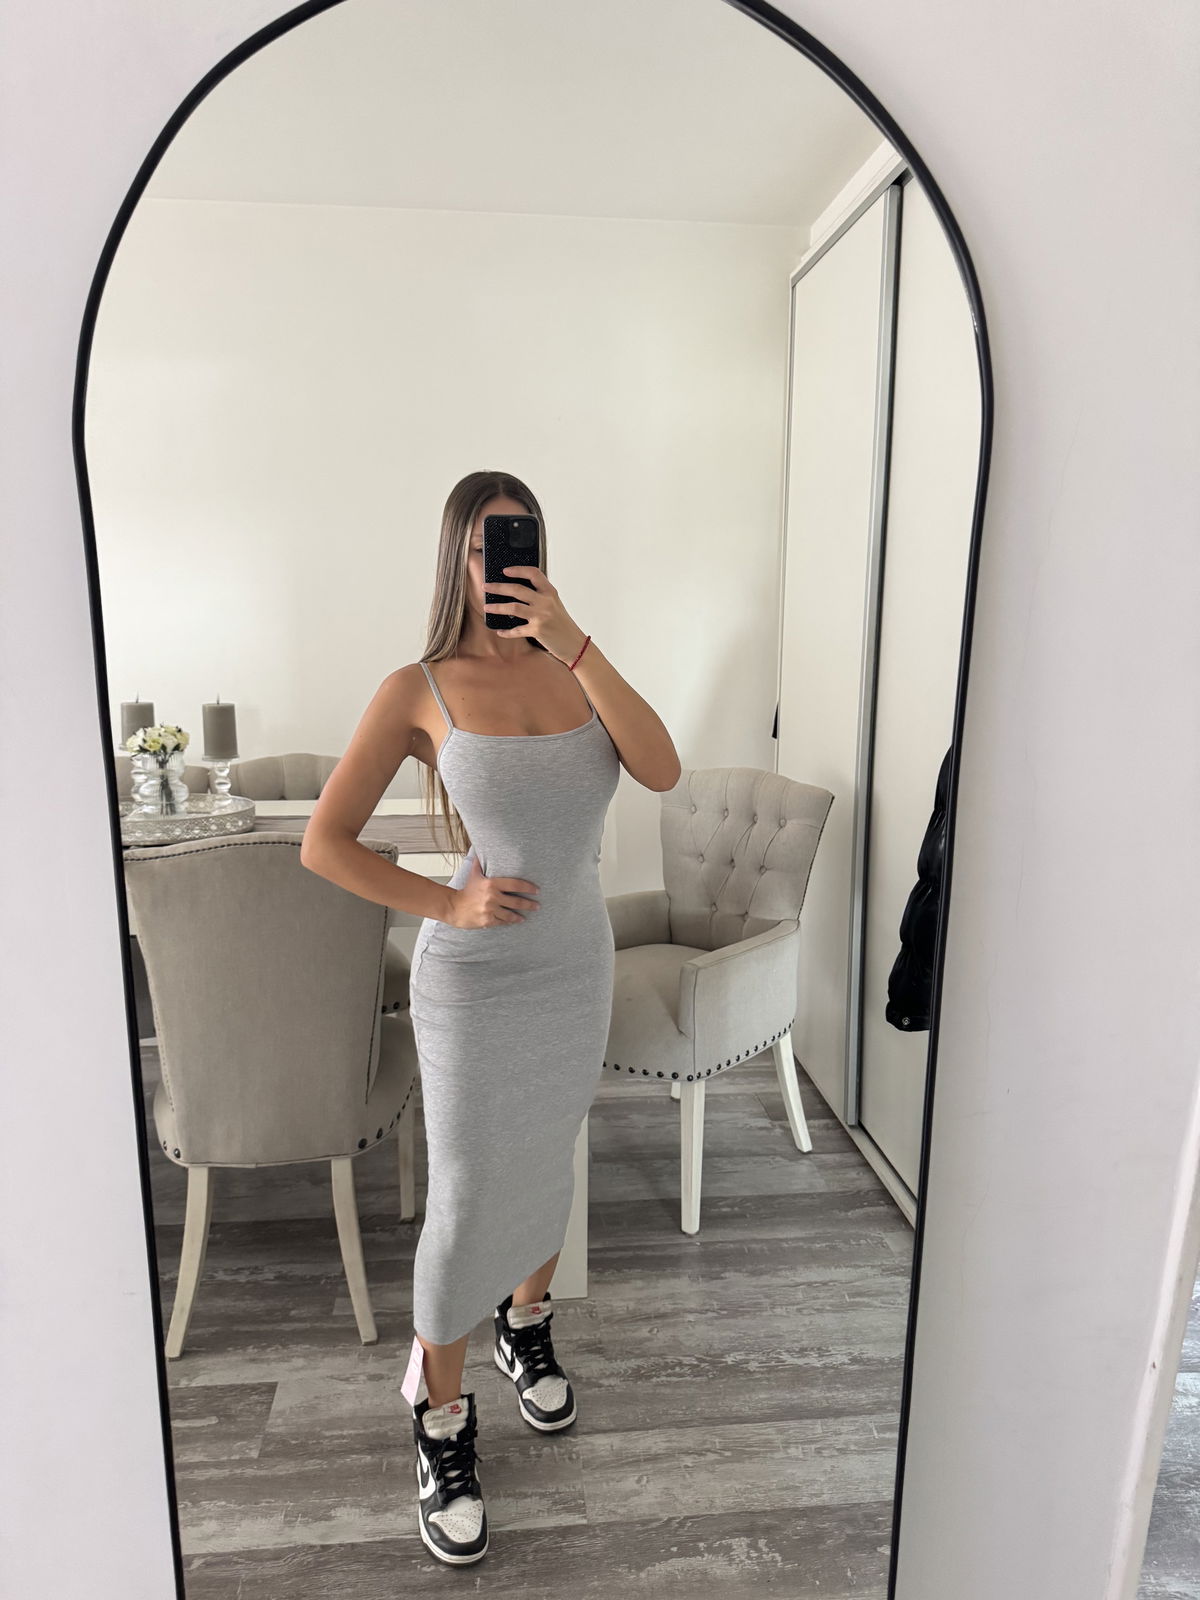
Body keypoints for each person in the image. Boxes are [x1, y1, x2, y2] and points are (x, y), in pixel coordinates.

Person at [301, 470, 681, 1565]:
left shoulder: (577, 669)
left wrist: (576, 641)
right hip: (473, 981)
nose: (500, 563)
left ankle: (524, 1325)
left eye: (518, 541)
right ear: (454, 559)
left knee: (548, 1162)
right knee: (468, 1194)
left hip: (573, 967)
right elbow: (325, 843)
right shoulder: (418, 687)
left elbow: (661, 769)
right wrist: (447, 903)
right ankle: (439, 1418)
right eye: (482, 546)